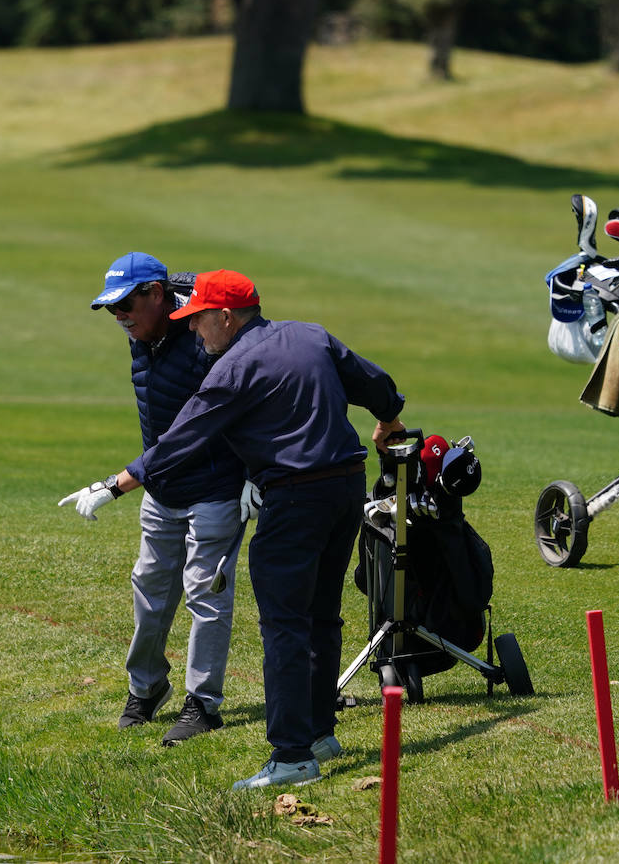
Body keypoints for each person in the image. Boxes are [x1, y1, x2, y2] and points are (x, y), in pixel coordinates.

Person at [58, 269, 406, 790]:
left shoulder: (232, 368)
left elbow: (181, 440)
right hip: (344, 490)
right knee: (320, 616)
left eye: (198, 320)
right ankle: (318, 734)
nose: (195, 332)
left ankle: (291, 756)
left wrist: (114, 486)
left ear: (225, 316)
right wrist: (388, 420)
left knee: (284, 624)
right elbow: (376, 385)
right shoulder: (310, 334)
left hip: (294, 499)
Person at [58, 252, 257, 747]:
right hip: (163, 488)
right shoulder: (143, 334)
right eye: (111, 310)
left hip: (216, 490)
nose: (120, 317)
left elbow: (246, 403)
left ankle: (202, 703)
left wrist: (257, 473)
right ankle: (147, 687)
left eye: (126, 304)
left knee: (205, 596)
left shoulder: (203, 336)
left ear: (156, 295)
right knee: (148, 591)